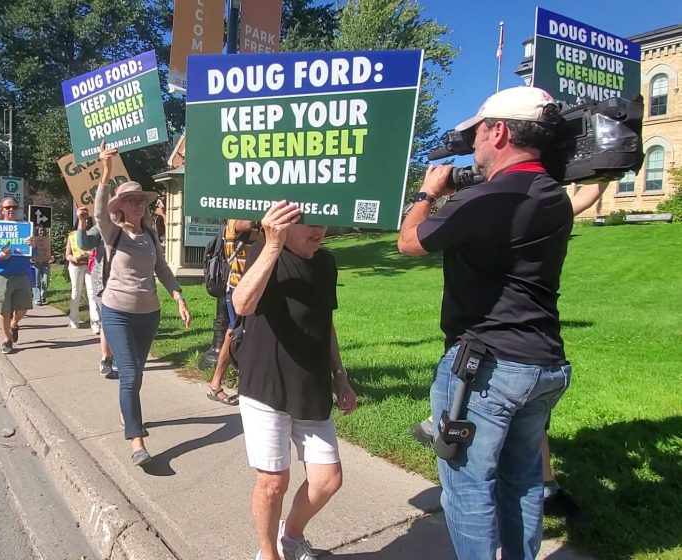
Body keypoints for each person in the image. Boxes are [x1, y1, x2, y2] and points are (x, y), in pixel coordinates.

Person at [397, 86, 574, 559]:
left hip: (486, 368)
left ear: (498, 131)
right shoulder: (552, 193)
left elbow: (410, 242)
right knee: (522, 481)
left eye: (477, 132)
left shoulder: (485, 200)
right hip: (544, 365)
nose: (472, 143)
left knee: (468, 486)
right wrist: (469, 186)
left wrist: (427, 193)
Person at [407, 179, 610, 518]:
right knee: (524, 452)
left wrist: (427, 193)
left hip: (487, 347)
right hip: (537, 353)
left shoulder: (479, 210)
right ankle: (544, 488)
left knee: (473, 479)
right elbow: (582, 200)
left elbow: (411, 239)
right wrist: (602, 171)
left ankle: (539, 486)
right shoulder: (546, 210)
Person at [231, 201, 357, 560]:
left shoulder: (326, 262)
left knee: (328, 479)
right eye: (307, 223)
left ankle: (291, 534)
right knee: (273, 483)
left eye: (324, 222)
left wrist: (340, 375)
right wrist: (271, 246)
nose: (318, 230)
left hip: (311, 384)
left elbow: (324, 322)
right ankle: (268, 553)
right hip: (266, 384)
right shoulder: (263, 251)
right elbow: (242, 304)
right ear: (286, 224)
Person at [95, 140, 191, 467]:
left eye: (140, 200)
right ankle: (137, 441)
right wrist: (106, 174)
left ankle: (127, 412)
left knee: (135, 375)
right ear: (120, 206)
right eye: (131, 200)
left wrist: (178, 296)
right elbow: (98, 210)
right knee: (130, 374)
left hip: (148, 314)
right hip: (117, 312)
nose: (137, 204)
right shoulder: (112, 233)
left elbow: (162, 268)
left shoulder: (150, 234)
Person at [207, 218, 261, 405]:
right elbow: (245, 225)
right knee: (234, 333)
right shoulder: (235, 222)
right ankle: (215, 384)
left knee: (250, 336)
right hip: (238, 289)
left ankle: (248, 384)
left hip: (259, 289)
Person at [0, 197, 34, 355]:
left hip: (21, 272)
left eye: (14, 207)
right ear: (1, 210)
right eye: (7, 207)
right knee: (3, 309)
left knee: (23, 307)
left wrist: (33, 245)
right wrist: (0, 256)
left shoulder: (25, 228)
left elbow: (32, 254)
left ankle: (13, 324)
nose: (11, 209)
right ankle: (6, 340)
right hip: (1, 275)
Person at [76, 207, 118, 378]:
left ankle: (122, 357)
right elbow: (84, 244)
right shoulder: (101, 228)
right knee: (108, 319)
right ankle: (107, 358)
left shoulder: (138, 227)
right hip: (104, 280)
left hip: (129, 282)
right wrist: (82, 221)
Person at [65, 219, 92, 329]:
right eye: (83, 219)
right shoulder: (72, 235)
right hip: (75, 266)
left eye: (87, 220)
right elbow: (67, 254)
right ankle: (73, 319)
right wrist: (74, 258)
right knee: (76, 292)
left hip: (90, 266)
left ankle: (96, 322)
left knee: (92, 293)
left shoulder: (93, 234)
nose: (85, 222)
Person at [30, 226, 53, 305]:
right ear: (37, 231)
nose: (41, 232)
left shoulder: (47, 240)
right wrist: (30, 258)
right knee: (36, 282)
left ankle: (43, 296)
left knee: (45, 281)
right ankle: (37, 299)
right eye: (40, 231)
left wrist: (51, 257)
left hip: (45, 262)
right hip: (35, 263)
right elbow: (29, 249)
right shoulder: (33, 240)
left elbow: (49, 250)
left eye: (42, 230)